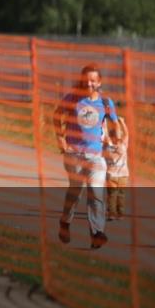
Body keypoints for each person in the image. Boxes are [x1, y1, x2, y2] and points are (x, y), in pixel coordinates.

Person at [53, 63, 118, 249]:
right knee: (75, 192)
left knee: (96, 193)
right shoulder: (72, 98)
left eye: (93, 81)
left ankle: (97, 233)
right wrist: (60, 140)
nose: (89, 84)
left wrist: (116, 140)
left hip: (96, 156)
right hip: (74, 154)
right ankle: (65, 222)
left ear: (99, 82)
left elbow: (115, 123)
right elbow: (57, 116)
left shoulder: (106, 103)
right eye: (85, 80)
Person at [104, 113, 129, 220]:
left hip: (111, 175)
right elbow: (127, 134)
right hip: (123, 175)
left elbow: (104, 133)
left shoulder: (106, 147)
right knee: (121, 195)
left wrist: (103, 121)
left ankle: (112, 214)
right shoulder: (123, 146)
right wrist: (122, 122)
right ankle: (121, 214)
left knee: (112, 195)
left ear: (111, 137)